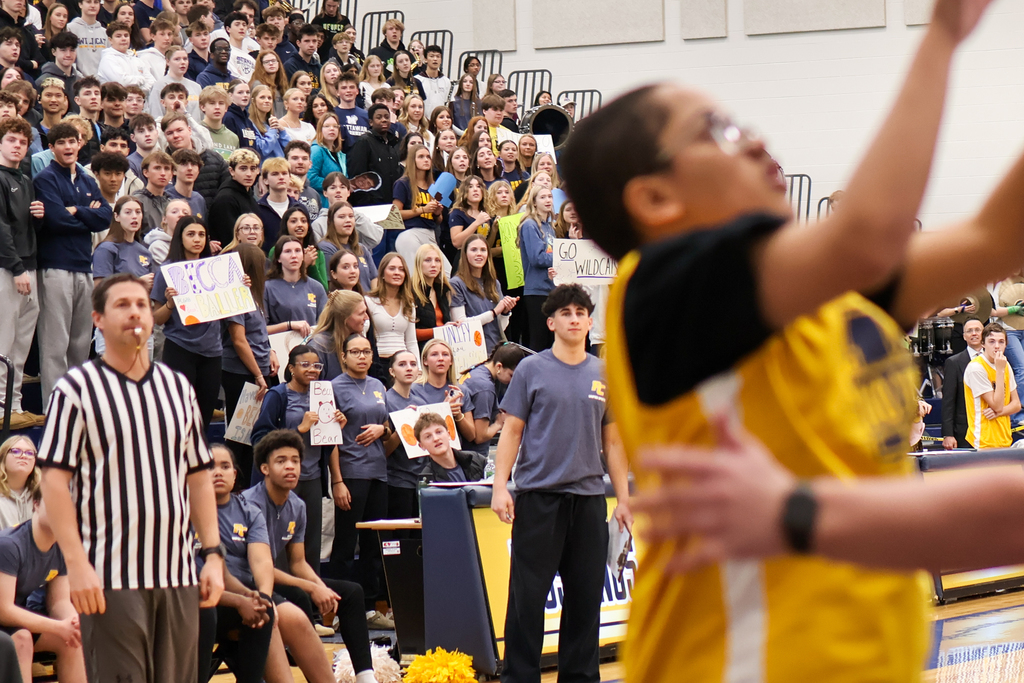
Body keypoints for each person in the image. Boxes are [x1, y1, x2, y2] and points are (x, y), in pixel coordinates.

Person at [553, 0, 1020, 678]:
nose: (755, 138)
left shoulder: (839, 302)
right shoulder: (660, 284)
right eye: (718, 129)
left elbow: (996, 238)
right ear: (656, 200)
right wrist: (943, 36)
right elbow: (866, 238)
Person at [38, 273, 224, 683]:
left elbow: (198, 475)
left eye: (141, 303)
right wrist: (76, 562)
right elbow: (53, 481)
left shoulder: (178, 388)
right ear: (98, 319)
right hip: (110, 575)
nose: (135, 312)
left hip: (177, 572)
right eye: (122, 305)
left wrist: (211, 553)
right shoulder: (76, 388)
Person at [490, 284, 631, 683]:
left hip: (588, 501)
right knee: (527, 601)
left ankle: (581, 678)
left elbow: (614, 441)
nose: (573, 318)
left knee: (586, 600)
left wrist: (622, 498)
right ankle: (519, 677)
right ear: (550, 322)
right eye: (565, 313)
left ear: (590, 321)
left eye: (580, 312)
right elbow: (511, 432)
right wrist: (501, 487)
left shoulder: (604, 374)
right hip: (539, 499)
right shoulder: (532, 370)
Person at [242, 429, 376, 683]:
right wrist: (312, 588)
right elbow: (260, 566)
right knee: (302, 594)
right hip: (251, 582)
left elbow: (298, 562)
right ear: (265, 468)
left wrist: (319, 586)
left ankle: (365, 676)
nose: (290, 467)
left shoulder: (297, 505)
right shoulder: (250, 505)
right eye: (281, 461)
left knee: (351, 593)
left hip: (281, 578)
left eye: (295, 460)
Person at [34, 122, 111, 406]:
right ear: (52, 148)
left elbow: (105, 216)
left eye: (72, 142)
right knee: (56, 343)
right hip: (55, 267)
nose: (68, 147)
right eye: (61, 143)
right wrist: (85, 219)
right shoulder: (45, 178)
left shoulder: (88, 179)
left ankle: (79, 406)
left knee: (80, 343)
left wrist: (77, 210)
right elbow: (56, 219)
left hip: (84, 267)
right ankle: (54, 408)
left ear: (80, 144)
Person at [250, 343, 339, 572]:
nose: (312, 369)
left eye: (317, 365)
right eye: (305, 365)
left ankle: (312, 603)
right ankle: (279, 600)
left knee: (310, 546)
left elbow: (327, 440)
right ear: (291, 368)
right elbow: (259, 438)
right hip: (280, 481)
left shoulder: (323, 395)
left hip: (312, 477)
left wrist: (336, 425)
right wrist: (299, 429)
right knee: (277, 544)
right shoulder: (278, 395)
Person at [326, 333, 393, 630]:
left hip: (379, 472)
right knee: (344, 545)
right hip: (351, 472)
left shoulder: (378, 385)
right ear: (344, 356)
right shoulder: (333, 388)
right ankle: (341, 611)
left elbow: (389, 425)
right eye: (356, 352)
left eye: (366, 351)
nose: (363, 357)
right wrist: (337, 481)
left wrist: (383, 429)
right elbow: (330, 440)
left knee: (372, 545)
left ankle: (368, 609)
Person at [198, 445, 274, 683]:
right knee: (206, 613)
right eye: (210, 466)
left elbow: (260, 562)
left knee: (265, 609)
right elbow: (195, 584)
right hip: (193, 600)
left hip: (231, 592)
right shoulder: (185, 511)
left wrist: (256, 596)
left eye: (225, 466)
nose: (217, 472)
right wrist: (242, 601)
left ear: (235, 474)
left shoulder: (248, 511)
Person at [0, 487, 87, 683]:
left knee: (72, 641)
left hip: (14, 622)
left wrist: (73, 624)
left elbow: (59, 602)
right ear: (36, 504)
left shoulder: (62, 548)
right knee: (22, 640)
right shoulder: (9, 545)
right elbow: (4, 610)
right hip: (7, 621)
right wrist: (58, 627)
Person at [151, 216, 224, 428]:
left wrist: (240, 288)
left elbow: (230, 307)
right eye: (191, 234)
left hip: (212, 351)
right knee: (179, 417)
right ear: (179, 238)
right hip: (180, 348)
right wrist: (171, 303)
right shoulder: (168, 271)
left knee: (204, 417)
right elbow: (157, 319)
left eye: (202, 235)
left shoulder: (215, 269)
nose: (197, 240)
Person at [0, 118, 42, 430]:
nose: (17, 145)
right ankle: (1, 407)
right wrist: (15, 267)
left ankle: (14, 405)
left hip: (29, 265)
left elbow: (25, 228)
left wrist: (38, 218)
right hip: (8, 268)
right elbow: (1, 228)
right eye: (12, 140)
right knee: (4, 340)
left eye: (22, 142)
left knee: (22, 342)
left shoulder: (26, 179)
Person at [451, 235, 518, 356]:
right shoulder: (456, 284)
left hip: (495, 351)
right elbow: (460, 324)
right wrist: (494, 312)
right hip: (471, 353)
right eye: (474, 250)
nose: (479, 254)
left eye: (483, 250)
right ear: (465, 254)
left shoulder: (494, 283)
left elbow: (499, 328)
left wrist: (505, 312)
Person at [460, 343, 528, 460]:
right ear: (499, 367)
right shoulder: (485, 388)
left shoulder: (477, 370)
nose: (513, 381)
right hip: (473, 459)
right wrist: (499, 423)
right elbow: (480, 436)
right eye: (511, 375)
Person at [964, 323, 1020, 449]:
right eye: (991, 341)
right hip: (983, 439)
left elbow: (1016, 404)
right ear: (983, 344)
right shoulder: (976, 368)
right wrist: (999, 371)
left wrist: (998, 413)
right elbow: (997, 405)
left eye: (1001, 342)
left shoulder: (1005, 364)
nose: (997, 346)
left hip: (1004, 437)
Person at [382, 350, 422, 518]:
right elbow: (384, 450)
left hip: (420, 479)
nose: (408, 369)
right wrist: (402, 424)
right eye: (402, 364)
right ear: (392, 371)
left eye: (413, 364)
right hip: (397, 480)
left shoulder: (420, 401)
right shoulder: (386, 401)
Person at [161, 111, 230, 208]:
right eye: (170, 133)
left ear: (189, 130)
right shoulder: (162, 165)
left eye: (179, 130)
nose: (176, 135)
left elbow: (226, 192)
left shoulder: (214, 160)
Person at [393, 142, 445, 271]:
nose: (426, 160)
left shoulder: (434, 186)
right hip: (409, 234)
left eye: (428, 157)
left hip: (430, 235)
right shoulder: (402, 183)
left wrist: (437, 213)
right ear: (412, 160)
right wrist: (422, 210)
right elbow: (395, 215)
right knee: (415, 275)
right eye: (421, 157)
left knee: (445, 274)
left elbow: (439, 220)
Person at [264, 233, 327, 338]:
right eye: (288, 251)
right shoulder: (267, 288)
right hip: (280, 347)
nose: (294, 256)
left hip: (311, 346)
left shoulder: (316, 287)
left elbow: (326, 325)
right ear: (278, 258)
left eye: (298, 251)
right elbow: (261, 329)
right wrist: (289, 325)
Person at [517, 184, 556, 351]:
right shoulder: (530, 224)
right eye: (543, 197)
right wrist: (562, 259)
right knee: (539, 340)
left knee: (552, 340)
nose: (548, 200)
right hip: (536, 290)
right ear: (533, 202)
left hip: (551, 288)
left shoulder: (549, 227)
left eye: (550, 197)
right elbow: (537, 258)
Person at [347, 102, 400, 214]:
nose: (384, 120)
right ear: (371, 122)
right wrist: (364, 203)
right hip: (370, 205)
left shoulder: (393, 144)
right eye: (379, 117)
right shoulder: (364, 142)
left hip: (390, 204)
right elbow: (356, 176)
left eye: (386, 117)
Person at [366, 252, 418, 365]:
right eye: (392, 268)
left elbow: (411, 342)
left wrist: (417, 368)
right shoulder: (369, 301)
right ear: (382, 274)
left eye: (401, 269)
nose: (397, 273)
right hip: (377, 361)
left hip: (403, 363)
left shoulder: (409, 304)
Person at [941, 318, 984, 449]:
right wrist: (948, 434)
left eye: (977, 330)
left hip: (991, 429)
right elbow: (948, 400)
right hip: (964, 431)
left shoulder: (996, 360)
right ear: (964, 336)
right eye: (969, 331)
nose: (974, 333)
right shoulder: (953, 363)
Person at [319, 199, 377, 292]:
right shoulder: (326, 248)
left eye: (351, 216)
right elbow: (331, 283)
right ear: (330, 221)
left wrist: (373, 301)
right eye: (342, 217)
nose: (348, 220)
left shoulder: (362, 249)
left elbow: (374, 278)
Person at [268, 204, 328, 290]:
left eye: (304, 221)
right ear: (286, 225)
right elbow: (274, 281)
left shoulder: (316, 253)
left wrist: (312, 266)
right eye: (293, 221)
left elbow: (324, 289)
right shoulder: (276, 250)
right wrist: (304, 263)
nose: (299, 225)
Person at [414, 411, 486, 483]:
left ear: (449, 434)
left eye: (439, 432)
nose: (436, 439)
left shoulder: (476, 459)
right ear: (421, 446)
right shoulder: (426, 479)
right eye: (428, 436)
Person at [208, 147, 259, 246]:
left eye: (253, 169)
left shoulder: (248, 195)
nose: (249, 174)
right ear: (231, 171)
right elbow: (229, 238)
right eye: (243, 168)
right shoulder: (226, 199)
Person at [410, 243, 452, 346]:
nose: (433, 265)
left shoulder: (443, 290)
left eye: (437, 260)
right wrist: (440, 331)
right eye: (428, 260)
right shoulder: (410, 291)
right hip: (422, 350)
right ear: (419, 263)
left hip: (442, 348)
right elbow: (409, 333)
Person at [96, 21, 154, 92]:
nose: (123, 39)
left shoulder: (136, 59)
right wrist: (141, 79)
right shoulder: (108, 59)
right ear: (110, 40)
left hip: (138, 100)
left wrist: (139, 91)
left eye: (126, 35)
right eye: (118, 36)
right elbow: (122, 82)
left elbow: (152, 82)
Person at [147, 46, 202, 120]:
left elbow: (201, 115)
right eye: (177, 59)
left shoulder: (196, 87)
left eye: (185, 59)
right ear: (168, 61)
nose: (182, 62)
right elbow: (156, 114)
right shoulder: (160, 85)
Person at [0, 436, 37, 529]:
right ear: (2, 458)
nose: (23, 456)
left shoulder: (42, 495)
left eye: (29, 453)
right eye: (16, 451)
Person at [308, 111, 344, 201]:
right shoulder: (316, 150)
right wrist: (334, 185)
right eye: (327, 126)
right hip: (322, 201)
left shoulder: (339, 153)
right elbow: (311, 179)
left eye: (335, 126)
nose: (331, 129)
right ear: (320, 129)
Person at [143, 197, 190, 264]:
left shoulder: (194, 243)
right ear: (164, 219)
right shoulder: (158, 247)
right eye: (174, 212)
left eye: (185, 213)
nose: (181, 215)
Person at [68, 0, 106, 78]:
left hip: (102, 82)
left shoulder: (105, 32)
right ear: (80, 4)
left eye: (96, 2)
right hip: (79, 80)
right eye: (88, 2)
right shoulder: (70, 28)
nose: (92, 5)